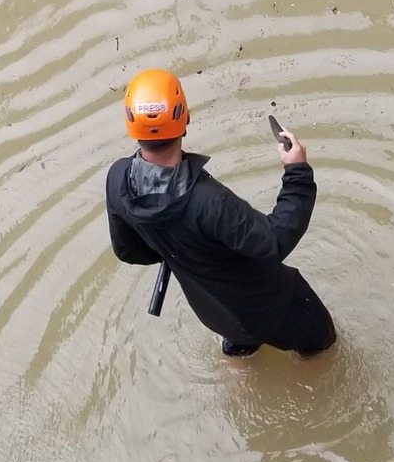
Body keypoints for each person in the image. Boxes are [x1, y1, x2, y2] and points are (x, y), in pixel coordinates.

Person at [105, 68, 335, 358]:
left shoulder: (118, 179)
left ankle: (237, 364)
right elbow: (274, 241)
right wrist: (297, 171)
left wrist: (177, 248)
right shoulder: (208, 201)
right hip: (270, 308)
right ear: (185, 118)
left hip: (212, 309)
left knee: (239, 339)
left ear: (131, 125)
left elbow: (128, 251)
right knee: (323, 344)